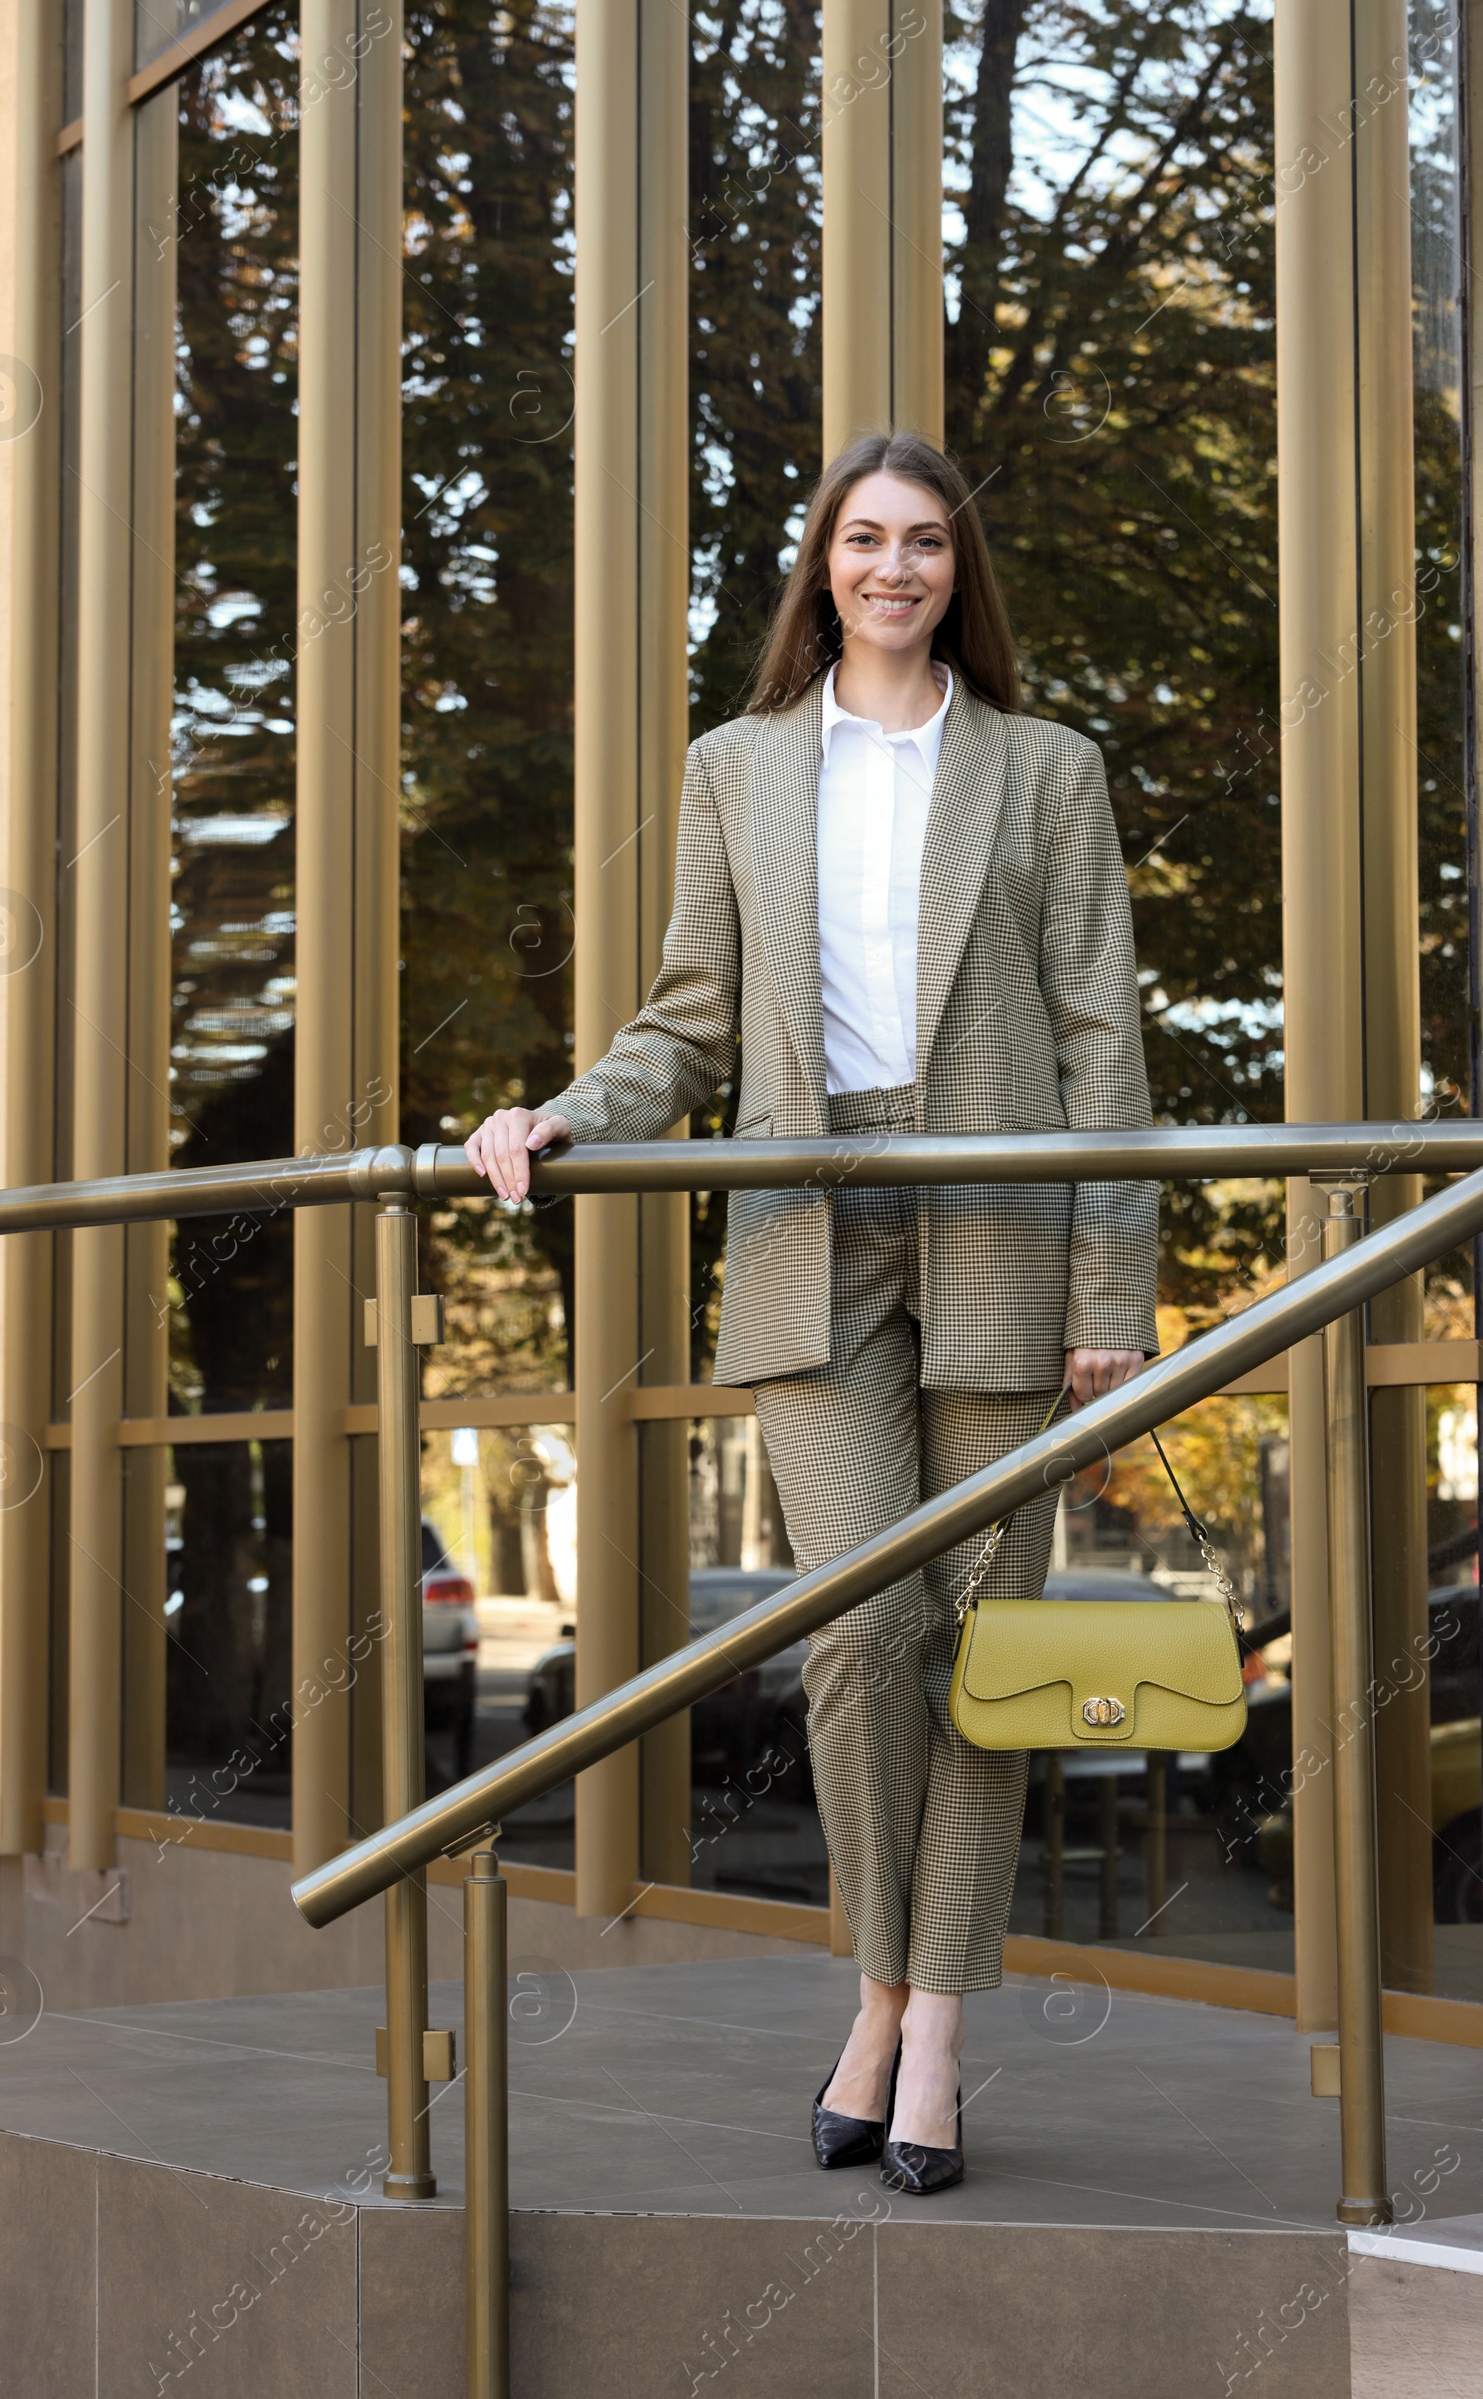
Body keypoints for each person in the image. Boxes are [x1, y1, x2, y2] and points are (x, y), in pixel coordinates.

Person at [467, 430, 1157, 2194]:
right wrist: (563, 1114)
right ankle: (881, 1980)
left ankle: (923, 2033)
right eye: (864, 538)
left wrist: (1116, 1289)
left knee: (993, 1657)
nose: (895, 568)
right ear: (823, 564)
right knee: (858, 1633)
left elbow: (1103, 1043)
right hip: (807, 1227)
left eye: (925, 543)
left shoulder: (1048, 767)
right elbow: (689, 1020)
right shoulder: (739, 767)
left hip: (1005, 1223)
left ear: (957, 575)